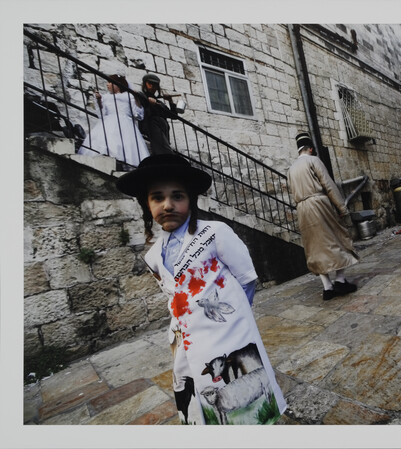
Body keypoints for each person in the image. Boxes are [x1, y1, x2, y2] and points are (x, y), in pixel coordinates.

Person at [116, 154, 285, 425]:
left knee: (246, 406)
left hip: (227, 336)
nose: (168, 204)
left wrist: (233, 321)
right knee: (200, 407)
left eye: (178, 196)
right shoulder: (153, 257)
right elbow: (173, 294)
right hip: (185, 342)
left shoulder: (215, 233)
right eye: (157, 197)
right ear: (147, 205)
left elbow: (247, 278)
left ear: (191, 200)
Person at [287, 132, 359, 301]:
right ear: (310, 149)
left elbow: (293, 193)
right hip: (319, 204)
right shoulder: (314, 161)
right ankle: (340, 280)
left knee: (314, 248)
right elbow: (328, 185)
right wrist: (341, 207)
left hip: (302, 209)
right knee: (337, 238)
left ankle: (327, 287)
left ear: (299, 150)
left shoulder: (291, 169)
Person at [78, 74, 149, 167]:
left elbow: (138, 115)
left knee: (125, 145)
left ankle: (121, 163)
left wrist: (136, 99)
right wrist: (99, 100)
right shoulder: (106, 97)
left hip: (125, 124)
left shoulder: (128, 96)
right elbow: (102, 114)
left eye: (110, 82)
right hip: (108, 123)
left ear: (117, 84)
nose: (107, 85)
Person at [138, 73, 177, 155]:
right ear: (145, 84)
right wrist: (150, 104)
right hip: (151, 126)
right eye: (150, 84)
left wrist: (170, 101)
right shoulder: (141, 96)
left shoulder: (159, 103)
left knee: (161, 150)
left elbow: (173, 116)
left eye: (155, 85)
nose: (152, 87)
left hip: (163, 130)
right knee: (165, 151)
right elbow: (143, 112)